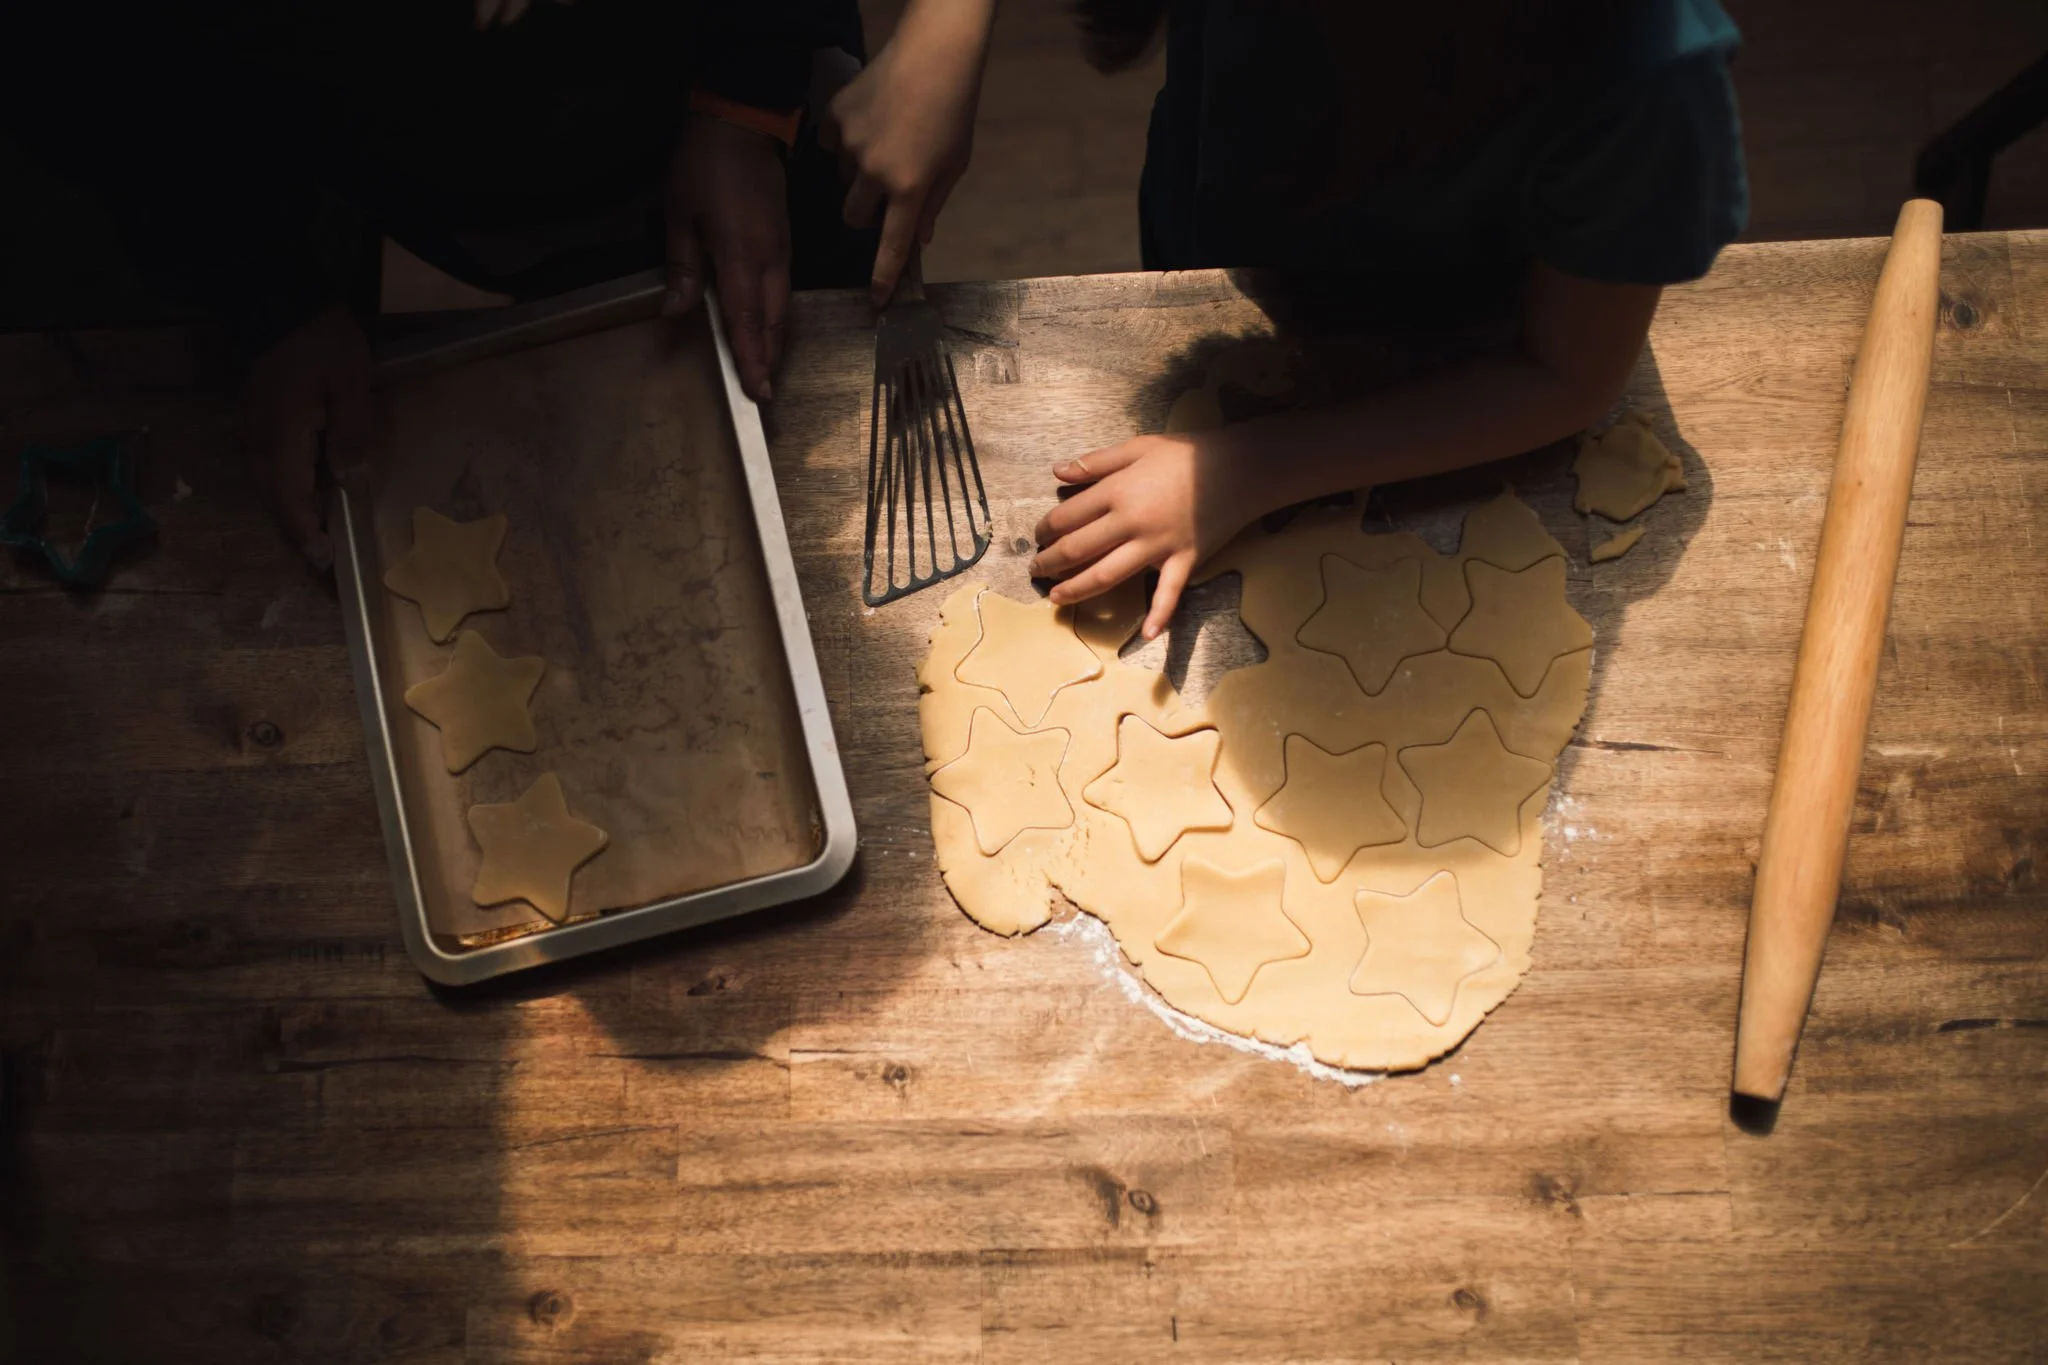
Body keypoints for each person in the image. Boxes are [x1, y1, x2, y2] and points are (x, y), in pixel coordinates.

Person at [871, 0, 1747, 640]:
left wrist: (1245, 468)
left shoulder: (1644, 77)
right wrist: (946, 26)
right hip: (1230, 204)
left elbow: (1569, 376)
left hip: (1463, 331)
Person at [8, 0, 984, 570]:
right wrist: (269, 298)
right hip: (393, 145)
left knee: (802, 337)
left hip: (713, 84)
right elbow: (97, 74)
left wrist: (746, 90)